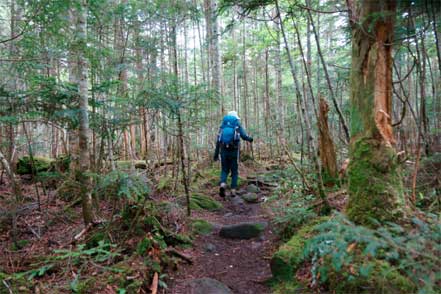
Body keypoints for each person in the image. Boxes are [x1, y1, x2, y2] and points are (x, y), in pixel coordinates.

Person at [213, 111, 253, 197]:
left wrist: (216, 155)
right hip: (234, 151)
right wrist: (250, 139)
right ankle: (233, 190)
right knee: (234, 171)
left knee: (224, 170)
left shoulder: (223, 126)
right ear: (235, 117)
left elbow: (218, 141)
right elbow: (243, 136)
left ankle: (223, 184)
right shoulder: (236, 124)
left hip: (223, 151)